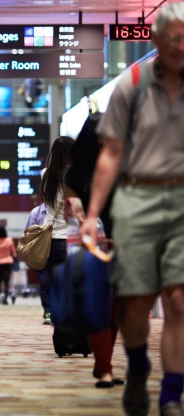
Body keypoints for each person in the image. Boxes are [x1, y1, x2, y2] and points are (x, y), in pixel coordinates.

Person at [80, 4, 184, 414]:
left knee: (178, 301)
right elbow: (111, 154)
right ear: (156, 40)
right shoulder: (132, 83)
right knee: (135, 304)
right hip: (137, 200)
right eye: (173, 37)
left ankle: (173, 393)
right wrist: (92, 214)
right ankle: (138, 367)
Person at [64, 112, 123, 390]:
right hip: (94, 245)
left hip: (126, 242)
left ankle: (103, 365)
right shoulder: (76, 174)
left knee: (118, 309)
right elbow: (75, 213)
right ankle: (106, 368)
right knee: (101, 307)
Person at [37, 136, 75, 325]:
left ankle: (60, 330)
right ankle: (73, 328)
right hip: (72, 240)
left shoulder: (45, 174)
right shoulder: (76, 175)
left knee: (56, 287)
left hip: (51, 241)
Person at [0, 225, 16, 305]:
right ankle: (5, 299)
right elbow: (13, 252)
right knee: (6, 282)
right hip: (8, 263)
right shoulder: (9, 240)